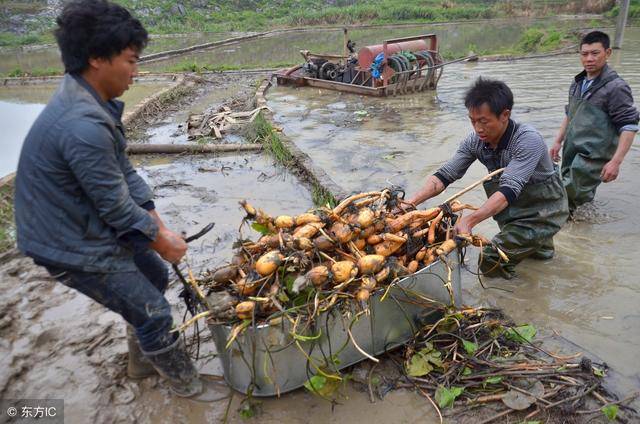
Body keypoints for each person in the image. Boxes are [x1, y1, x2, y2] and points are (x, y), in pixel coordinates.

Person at [14, 0, 218, 401]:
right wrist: (161, 240)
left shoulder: (91, 101)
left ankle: (142, 363)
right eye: (130, 60)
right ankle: (188, 389)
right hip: (66, 241)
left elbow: (123, 174)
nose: (136, 72)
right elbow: (113, 208)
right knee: (154, 311)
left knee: (155, 277)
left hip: (80, 218)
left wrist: (156, 224)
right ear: (95, 58)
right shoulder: (81, 125)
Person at [406, 78, 569, 279]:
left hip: (543, 212)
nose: (478, 128)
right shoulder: (475, 142)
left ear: (505, 115)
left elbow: (509, 188)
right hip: (514, 210)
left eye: (483, 121)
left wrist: (470, 220)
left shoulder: (528, 140)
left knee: (491, 259)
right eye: (472, 121)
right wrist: (409, 204)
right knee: (539, 258)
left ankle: (515, 301)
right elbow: (445, 175)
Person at [549, 31, 639, 213]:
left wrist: (616, 162)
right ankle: (583, 228)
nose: (589, 59)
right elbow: (570, 113)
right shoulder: (577, 83)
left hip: (593, 157)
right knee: (571, 198)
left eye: (595, 53)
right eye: (584, 54)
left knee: (563, 197)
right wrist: (558, 141)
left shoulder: (616, 87)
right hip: (572, 150)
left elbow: (629, 126)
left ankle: (572, 236)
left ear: (608, 53)